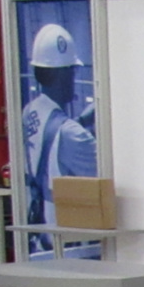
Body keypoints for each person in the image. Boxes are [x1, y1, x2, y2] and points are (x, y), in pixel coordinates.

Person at [21, 23, 96, 243]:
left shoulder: (30, 111)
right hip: (67, 241)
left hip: (39, 236)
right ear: (64, 75)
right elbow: (114, 176)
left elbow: (52, 138)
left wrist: (81, 121)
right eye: (73, 71)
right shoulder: (72, 134)